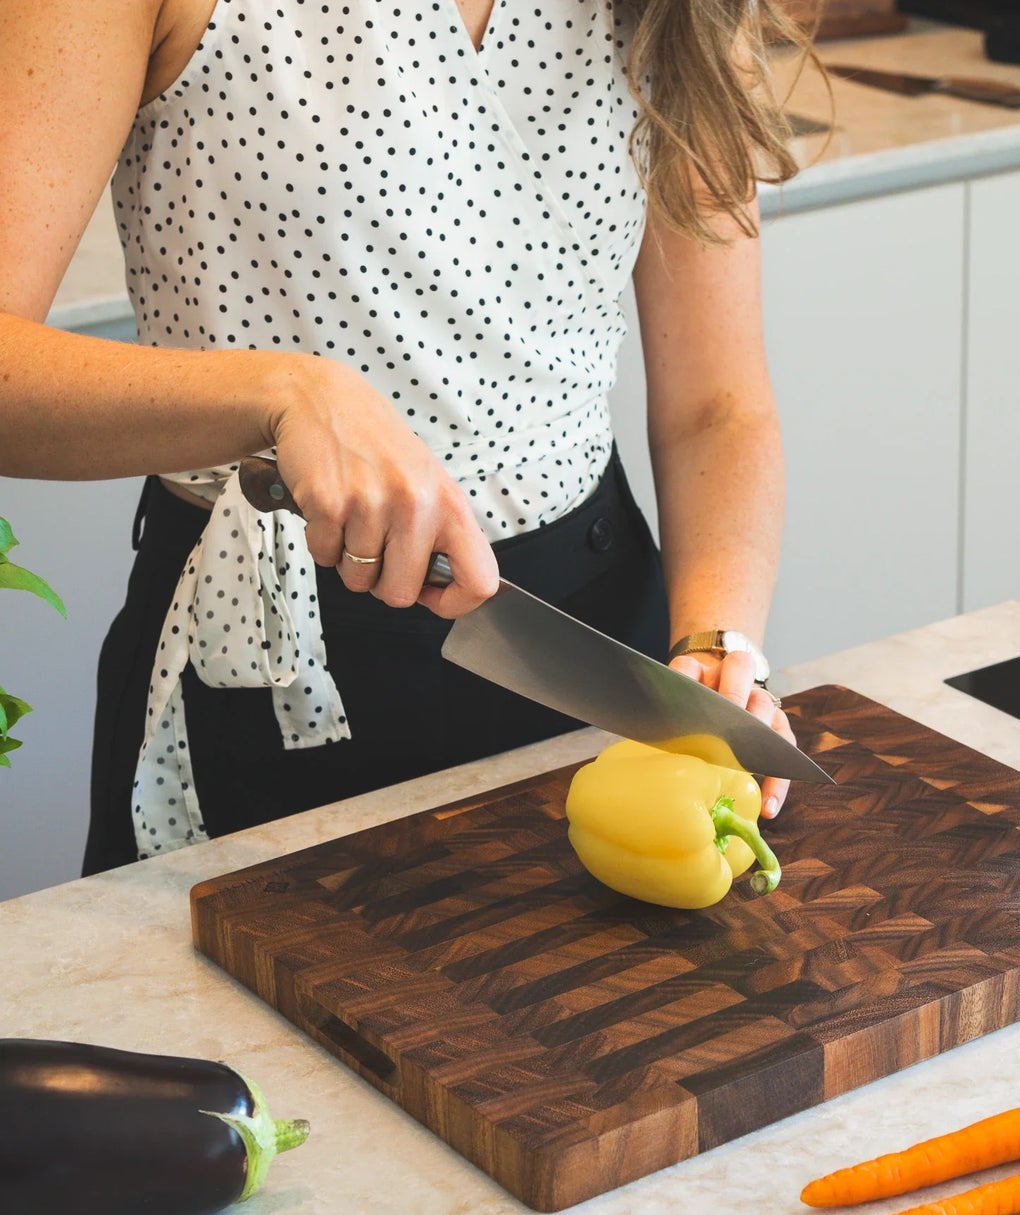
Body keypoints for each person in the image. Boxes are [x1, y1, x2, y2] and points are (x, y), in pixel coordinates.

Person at [0, 0, 811, 873]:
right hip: (269, 666)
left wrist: (716, 644)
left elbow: (716, 407)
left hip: (594, 662)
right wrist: (281, 390)